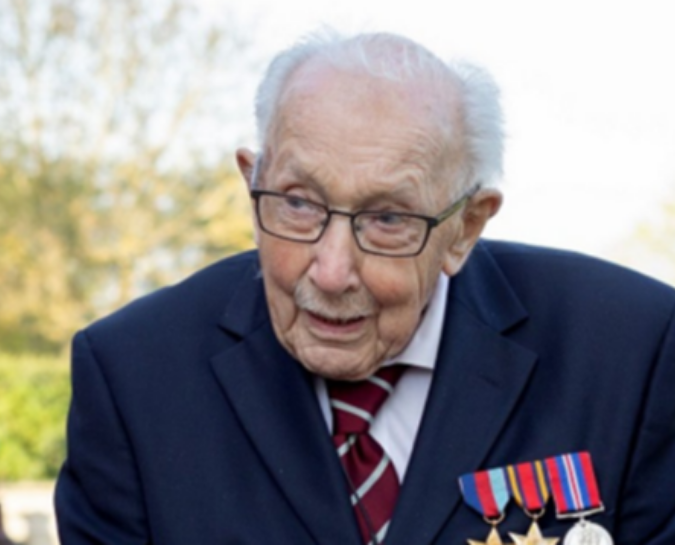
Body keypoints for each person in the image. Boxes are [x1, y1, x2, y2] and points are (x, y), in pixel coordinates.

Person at [55, 30, 675, 545]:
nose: (330, 271)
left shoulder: (633, 351)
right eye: (298, 203)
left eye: (387, 219)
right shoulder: (132, 376)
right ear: (252, 184)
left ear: (465, 227)